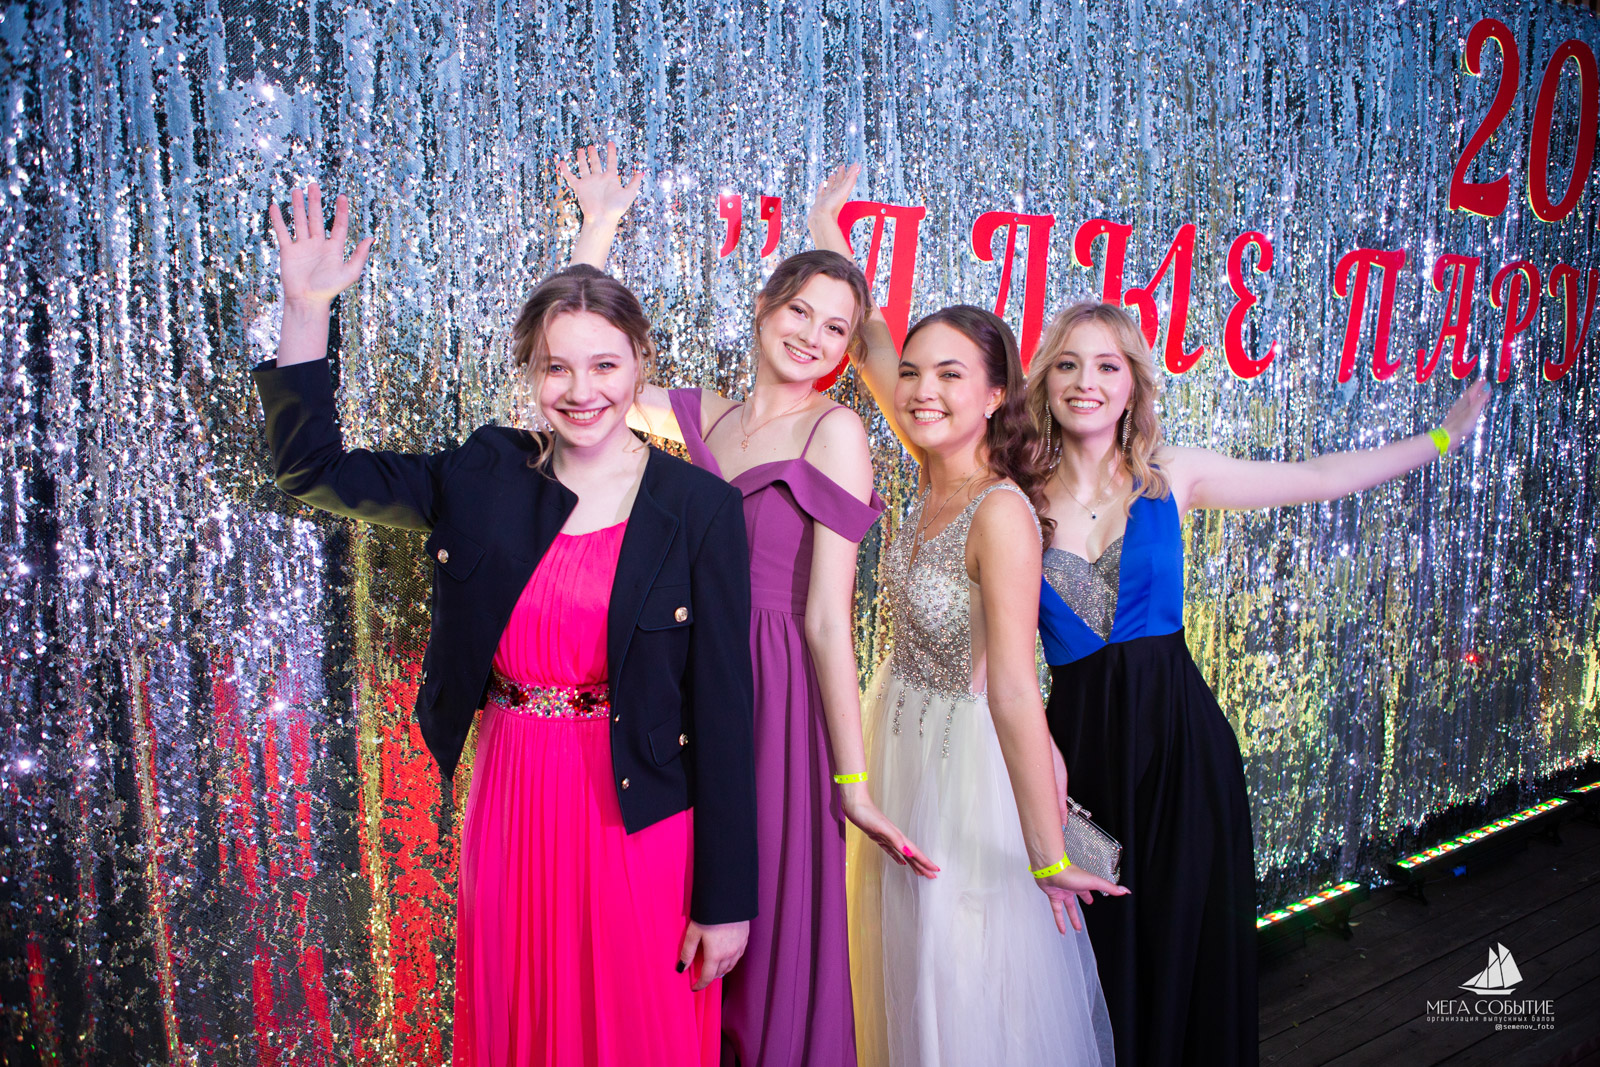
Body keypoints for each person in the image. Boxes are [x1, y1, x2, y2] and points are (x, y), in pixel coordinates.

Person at [253, 182, 758, 1067]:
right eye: (557, 368)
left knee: (634, 1030)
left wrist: (726, 900)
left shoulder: (699, 507)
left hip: (636, 818)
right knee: (521, 1020)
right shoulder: (483, 477)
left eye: (605, 366)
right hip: (514, 796)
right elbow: (311, 470)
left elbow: (723, 714)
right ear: (529, 371)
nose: (582, 390)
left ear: (640, 362)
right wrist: (307, 311)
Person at [1022, 301, 1487, 1065]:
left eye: (1107, 365)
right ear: (1046, 379)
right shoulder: (1017, 497)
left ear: (1133, 384)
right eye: (1068, 364)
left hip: (1184, 754)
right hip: (1079, 762)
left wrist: (1439, 438)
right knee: (1094, 955)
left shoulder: (1173, 475)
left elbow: (1318, 478)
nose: (1086, 382)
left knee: (1183, 944)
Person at [558, 144, 936, 1067]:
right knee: (672, 916)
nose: (812, 335)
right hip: (682, 679)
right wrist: (597, 230)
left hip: (774, 695)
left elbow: (827, 620)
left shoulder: (836, 432)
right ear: (763, 307)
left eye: (836, 328)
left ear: (847, 351)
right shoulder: (706, 418)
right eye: (799, 309)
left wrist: (852, 783)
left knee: (758, 938)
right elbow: (588, 373)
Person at [842, 304, 1124, 1067]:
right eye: (911, 373)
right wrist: (832, 248)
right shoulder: (930, 468)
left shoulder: (998, 512)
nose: (921, 389)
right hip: (897, 739)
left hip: (960, 769)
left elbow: (1014, 689)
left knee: (958, 976)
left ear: (996, 395)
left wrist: (1047, 853)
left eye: (949, 374)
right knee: (901, 962)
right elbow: (871, 343)